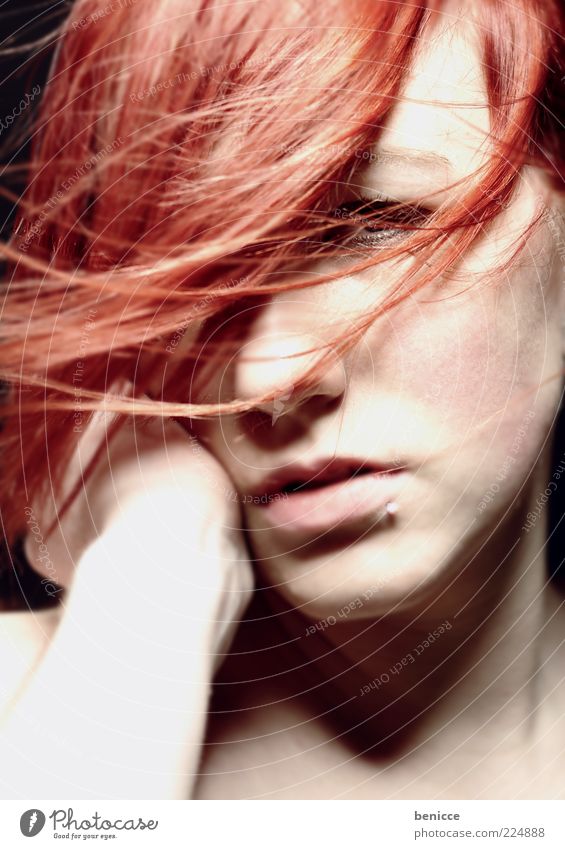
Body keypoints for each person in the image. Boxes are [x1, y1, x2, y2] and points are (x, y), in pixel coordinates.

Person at [0, 0, 563, 800]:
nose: (269, 377)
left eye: (372, 224)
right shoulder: (37, 715)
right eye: (199, 270)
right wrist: (156, 576)